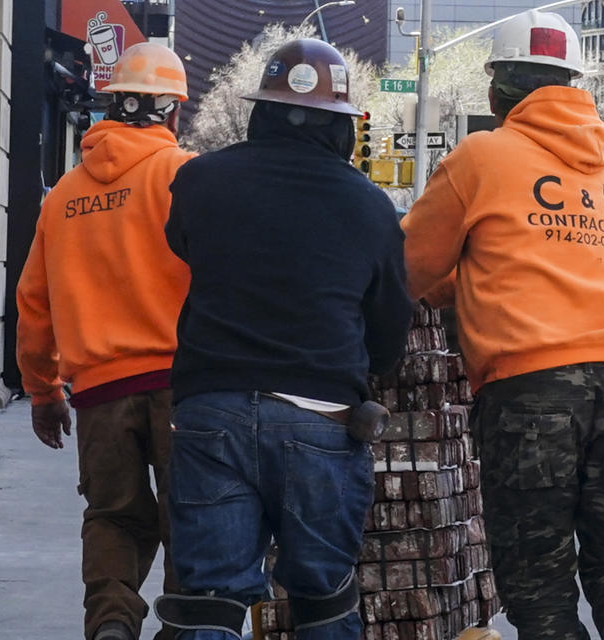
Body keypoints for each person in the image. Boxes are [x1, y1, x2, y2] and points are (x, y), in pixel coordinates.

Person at [400, 10, 604, 640]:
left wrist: (459, 285)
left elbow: (410, 268)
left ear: (498, 91)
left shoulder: (481, 155)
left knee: (538, 578)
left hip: (533, 384)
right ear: (572, 85)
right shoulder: (599, 164)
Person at [153, 38, 413, 640]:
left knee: (210, 598)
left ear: (260, 111)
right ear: (343, 127)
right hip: (320, 416)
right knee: (323, 595)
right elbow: (388, 326)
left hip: (211, 408)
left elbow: (183, 247)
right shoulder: (371, 208)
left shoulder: (200, 182)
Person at [15, 42, 195, 640]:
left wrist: (43, 392)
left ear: (112, 105)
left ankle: (113, 622)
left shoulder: (64, 196)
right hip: (181, 388)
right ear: (172, 112)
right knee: (190, 516)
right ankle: (185, 626)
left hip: (97, 392)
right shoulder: (184, 175)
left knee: (113, 516)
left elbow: (34, 304)